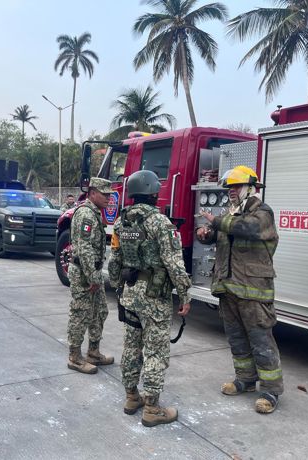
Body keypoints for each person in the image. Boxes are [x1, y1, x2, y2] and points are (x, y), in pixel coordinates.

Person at [195, 165, 283, 414]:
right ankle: (245, 379)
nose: (231, 192)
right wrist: (205, 234)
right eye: (229, 188)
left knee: (260, 340)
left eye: (235, 187)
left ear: (251, 188)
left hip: (253, 290)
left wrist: (218, 221)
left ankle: (271, 390)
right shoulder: (231, 213)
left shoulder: (262, 213)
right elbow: (220, 234)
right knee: (236, 339)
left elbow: (248, 229)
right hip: (229, 288)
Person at [108, 170, 191, 427]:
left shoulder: (122, 224)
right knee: (155, 351)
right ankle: (152, 408)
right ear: (154, 193)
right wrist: (185, 294)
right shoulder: (161, 224)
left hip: (130, 295)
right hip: (154, 298)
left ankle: (132, 397)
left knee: (132, 347)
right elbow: (174, 264)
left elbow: (115, 260)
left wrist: (116, 286)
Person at [67, 177, 113, 374]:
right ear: (93, 193)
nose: (109, 199)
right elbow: (84, 248)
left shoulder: (94, 213)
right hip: (84, 274)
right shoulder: (86, 214)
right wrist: (93, 278)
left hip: (92, 272)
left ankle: (93, 352)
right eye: (105, 194)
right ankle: (75, 357)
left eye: (110, 195)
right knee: (81, 314)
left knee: (100, 311)